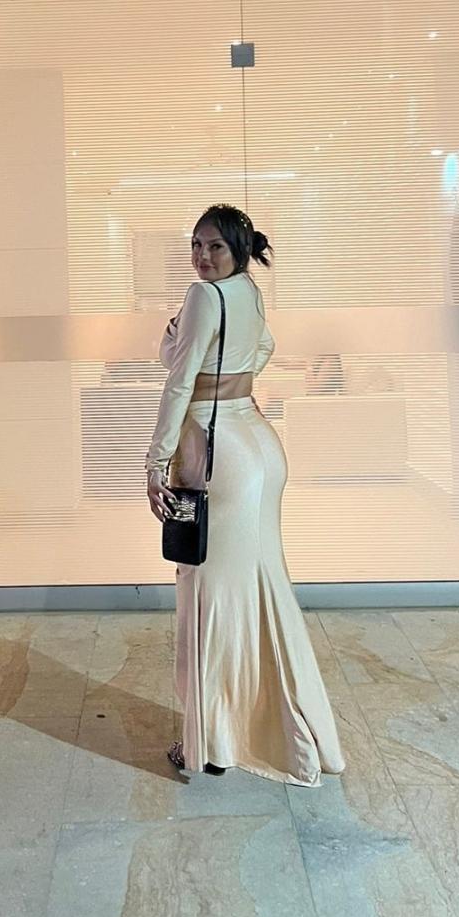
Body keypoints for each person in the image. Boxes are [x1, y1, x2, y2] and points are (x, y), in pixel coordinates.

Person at [145, 205, 345, 785]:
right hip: (257, 442)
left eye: (215, 247)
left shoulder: (202, 296)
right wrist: (216, 370)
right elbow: (263, 349)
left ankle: (212, 743)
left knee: (209, 598)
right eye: (196, 244)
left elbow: (179, 383)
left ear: (237, 249)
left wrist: (156, 460)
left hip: (219, 455)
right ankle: (283, 731)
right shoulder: (248, 293)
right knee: (260, 591)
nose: (202, 256)